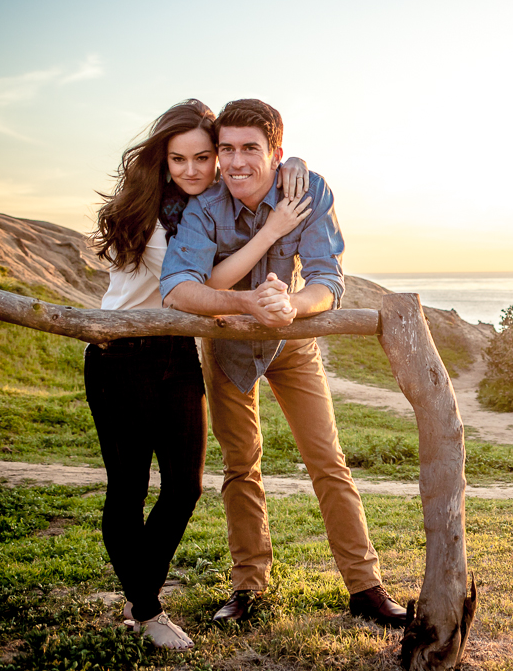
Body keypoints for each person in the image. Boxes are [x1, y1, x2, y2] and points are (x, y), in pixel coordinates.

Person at [159, 98, 408, 628]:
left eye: (250, 149)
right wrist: (247, 303)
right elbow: (178, 288)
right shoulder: (204, 205)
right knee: (240, 465)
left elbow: (327, 279)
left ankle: (365, 588)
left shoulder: (308, 189)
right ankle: (248, 587)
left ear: (276, 153)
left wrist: (290, 306)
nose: (236, 162)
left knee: (327, 460)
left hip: (292, 340)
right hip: (226, 344)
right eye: (227, 149)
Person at [87, 99, 312, 650]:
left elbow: (256, 159)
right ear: (162, 161)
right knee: (129, 488)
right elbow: (201, 283)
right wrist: (270, 234)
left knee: (185, 487)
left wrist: (292, 164)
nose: (192, 169)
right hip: (121, 355)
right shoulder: (150, 215)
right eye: (178, 159)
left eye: (203, 157)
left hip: (176, 353)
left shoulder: (207, 208)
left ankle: (138, 597)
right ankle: (147, 609)